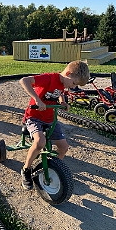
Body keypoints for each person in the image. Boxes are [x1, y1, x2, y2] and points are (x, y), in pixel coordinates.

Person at [19, 60, 90, 190]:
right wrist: (37, 100)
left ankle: (54, 167)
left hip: (50, 118)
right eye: (73, 83)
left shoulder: (64, 82)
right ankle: (26, 169)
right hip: (34, 117)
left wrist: (62, 102)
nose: (72, 87)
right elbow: (24, 81)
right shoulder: (49, 78)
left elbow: (60, 92)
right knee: (40, 142)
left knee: (64, 147)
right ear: (68, 73)